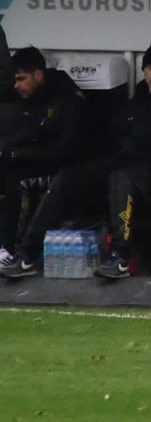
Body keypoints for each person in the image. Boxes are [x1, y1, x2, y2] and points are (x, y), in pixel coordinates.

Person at [0, 38, 151, 279]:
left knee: (122, 179)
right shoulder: (133, 106)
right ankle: (26, 255)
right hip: (118, 167)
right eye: (150, 67)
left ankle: (119, 256)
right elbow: (109, 144)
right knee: (67, 179)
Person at [0, 47, 94, 277]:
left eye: (21, 79)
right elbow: (27, 136)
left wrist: (18, 155)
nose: (16, 86)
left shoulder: (67, 102)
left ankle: (13, 250)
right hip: (44, 161)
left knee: (17, 181)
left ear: (38, 75)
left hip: (74, 169)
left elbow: (64, 152)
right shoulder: (32, 99)